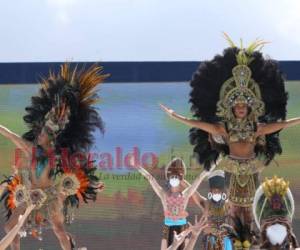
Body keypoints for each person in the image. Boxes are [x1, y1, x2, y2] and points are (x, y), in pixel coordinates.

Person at [159, 34, 300, 246]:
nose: (241, 107)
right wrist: (175, 116)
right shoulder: (224, 128)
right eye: (237, 105)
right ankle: (234, 242)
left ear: (250, 107)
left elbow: (281, 124)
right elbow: (198, 123)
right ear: (232, 107)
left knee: (250, 209)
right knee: (234, 208)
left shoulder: (256, 128)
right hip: (234, 169)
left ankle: (251, 241)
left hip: (251, 169)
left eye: (245, 105)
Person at [0, 64, 106, 250]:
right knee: (10, 226)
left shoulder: (57, 154)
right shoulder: (31, 148)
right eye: (40, 131)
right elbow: (9, 135)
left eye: (43, 133)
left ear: (51, 136)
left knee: (58, 228)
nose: (39, 134)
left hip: (50, 196)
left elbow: (76, 171)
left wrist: (94, 185)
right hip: (30, 195)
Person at [130, 157, 214, 250]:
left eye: (177, 175)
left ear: (181, 177)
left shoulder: (185, 194)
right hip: (168, 228)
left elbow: (198, 179)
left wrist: (207, 171)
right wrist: (137, 167)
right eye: (172, 175)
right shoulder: (163, 195)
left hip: (182, 228)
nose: (174, 178)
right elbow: (151, 179)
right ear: (168, 178)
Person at [253, 176, 299, 249]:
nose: (276, 203)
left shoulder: (285, 213)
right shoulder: (266, 213)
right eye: (274, 201)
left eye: (278, 201)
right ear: (271, 203)